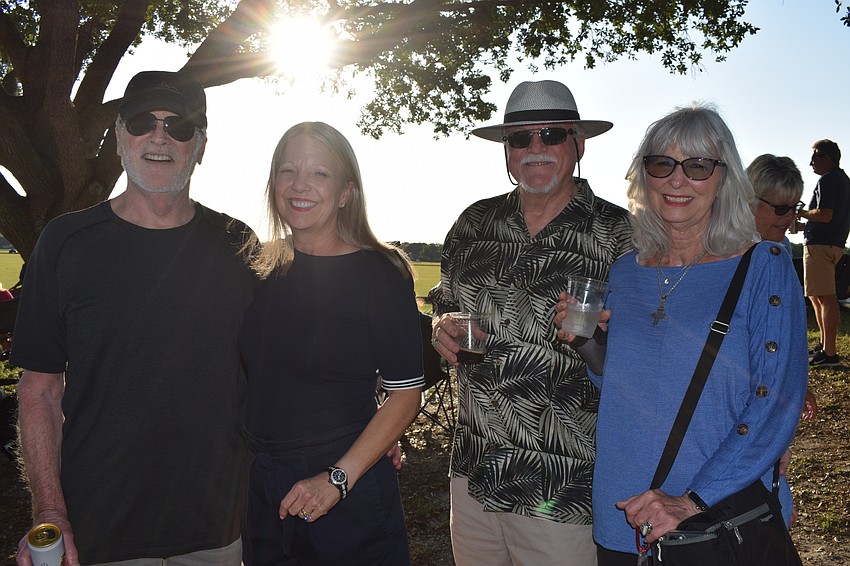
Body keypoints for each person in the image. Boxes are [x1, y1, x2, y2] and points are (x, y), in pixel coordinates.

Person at [12, 71, 256, 565]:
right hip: (100, 527)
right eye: (143, 122)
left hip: (220, 529)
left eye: (180, 126)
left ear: (201, 146)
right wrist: (50, 512)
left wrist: (360, 427)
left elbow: (291, 356)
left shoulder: (239, 245)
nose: (161, 136)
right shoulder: (64, 243)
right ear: (120, 137)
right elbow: (39, 389)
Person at [556, 104, 808, 565]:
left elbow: (776, 400)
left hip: (712, 518)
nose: (677, 179)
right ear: (643, 176)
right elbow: (622, 384)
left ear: (725, 178)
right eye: (662, 163)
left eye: (698, 165)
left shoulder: (764, 265)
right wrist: (587, 339)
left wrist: (692, 501)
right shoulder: (625, 271)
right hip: (622, 510)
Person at [429, 80, 632, 565]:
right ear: (506, 151)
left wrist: (598, 338)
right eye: (520, 139)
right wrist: (441, 327)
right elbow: (445, 302)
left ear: (578, 144)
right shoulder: (473, 224)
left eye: (552, 135)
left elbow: (647, 358)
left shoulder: (619, 233)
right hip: (475, 474)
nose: (535, 149)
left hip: (565, 489)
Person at [238, 122, 424, 565]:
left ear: (346, 192)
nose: (299, 185)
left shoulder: (380, 271)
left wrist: (338, 479)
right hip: (262, 488)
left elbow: (405, 395)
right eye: (288, 170)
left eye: (319, 173)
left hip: (347, 493)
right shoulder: (255, 267)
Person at [747, 154, 817, 421]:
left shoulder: (781, 249)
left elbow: (789, 326)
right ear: (750, 202)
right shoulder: (722, 250)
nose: (790, 218)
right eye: (780, 209)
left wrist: (797, 384)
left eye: (795, 208)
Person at [799, 140, 850, 367]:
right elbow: (830, 217)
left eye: (815, 157)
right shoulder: (843, 180)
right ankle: (823, 346)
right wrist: (805, 225)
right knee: (818, 297)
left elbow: (825, 214)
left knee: (825, 299)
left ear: (827, 158)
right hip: (832, 244)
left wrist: (802, 213)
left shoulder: (828, 180)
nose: (811, 162)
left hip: (820, 246)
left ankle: (829, 354)